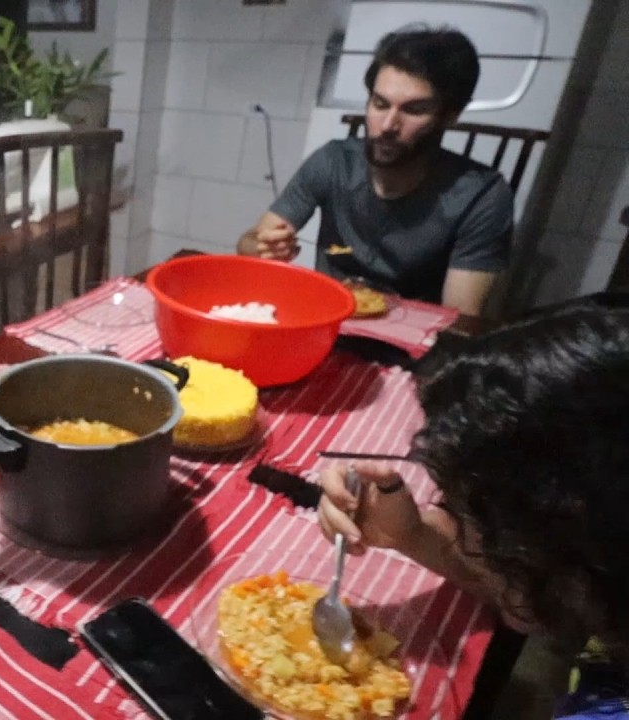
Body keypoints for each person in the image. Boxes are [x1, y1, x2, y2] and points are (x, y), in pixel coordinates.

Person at [317, 293, 629, 718]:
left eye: (470, 513)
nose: (459, 529)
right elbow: (537, 602)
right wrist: (411, 534)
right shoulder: (603, 594)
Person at [236, 27, 514, 316]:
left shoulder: (481, 196)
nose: (387, 126)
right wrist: (263, 246)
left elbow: (459, 322)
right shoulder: (334, 161)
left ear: (450, 115)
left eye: (414, 110)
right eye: (380, 104)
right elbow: (247, 243)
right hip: (326, 321)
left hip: (411, 342)